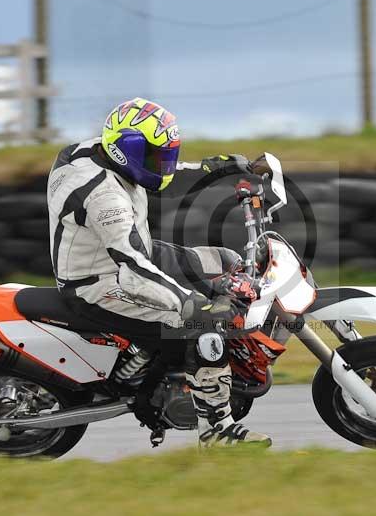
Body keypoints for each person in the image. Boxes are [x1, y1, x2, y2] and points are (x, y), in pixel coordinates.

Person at [46, 97, 270, 447]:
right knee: (203, 325)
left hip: (128, 255)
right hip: (102, 282)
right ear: (128, 151)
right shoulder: (105, 199)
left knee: (227, 262)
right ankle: (216, 431)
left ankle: (185, 367)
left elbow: (164, 174)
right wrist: (191, 304)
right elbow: (134, 269)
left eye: (166, 155)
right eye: (156, 157)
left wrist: (221, 169)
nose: (164, 164)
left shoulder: (92, 152)